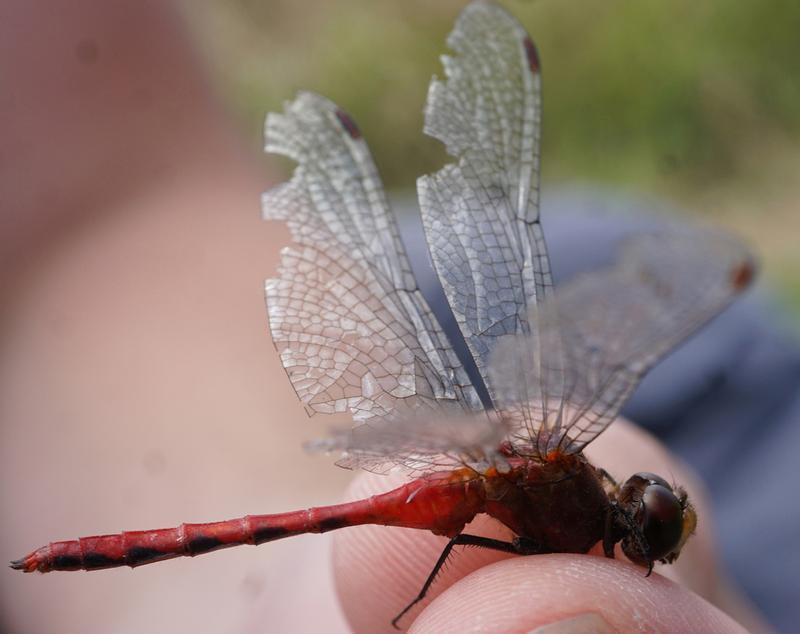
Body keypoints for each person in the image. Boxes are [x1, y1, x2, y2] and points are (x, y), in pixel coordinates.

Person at [2, 2, 784, 632]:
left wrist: (279, 605)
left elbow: (96, 224)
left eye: (652, 521)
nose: (645, 525)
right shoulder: (562, 478)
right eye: (649, 524)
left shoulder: (562, 468)